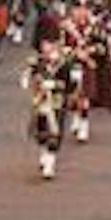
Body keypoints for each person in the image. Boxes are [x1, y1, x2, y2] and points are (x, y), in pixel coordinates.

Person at [24, 35, 80, 180]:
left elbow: (71, 85)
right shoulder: (37, 63)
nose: (48, 49)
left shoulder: (65, 65)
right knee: (41, 131)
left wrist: (55, 85)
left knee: (55, 132)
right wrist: (30, 79)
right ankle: (43, 152)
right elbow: (26, 79)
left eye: (50, 45)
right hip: (41, 102)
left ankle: (50, 163)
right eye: (45, 45)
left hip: (57, 102)